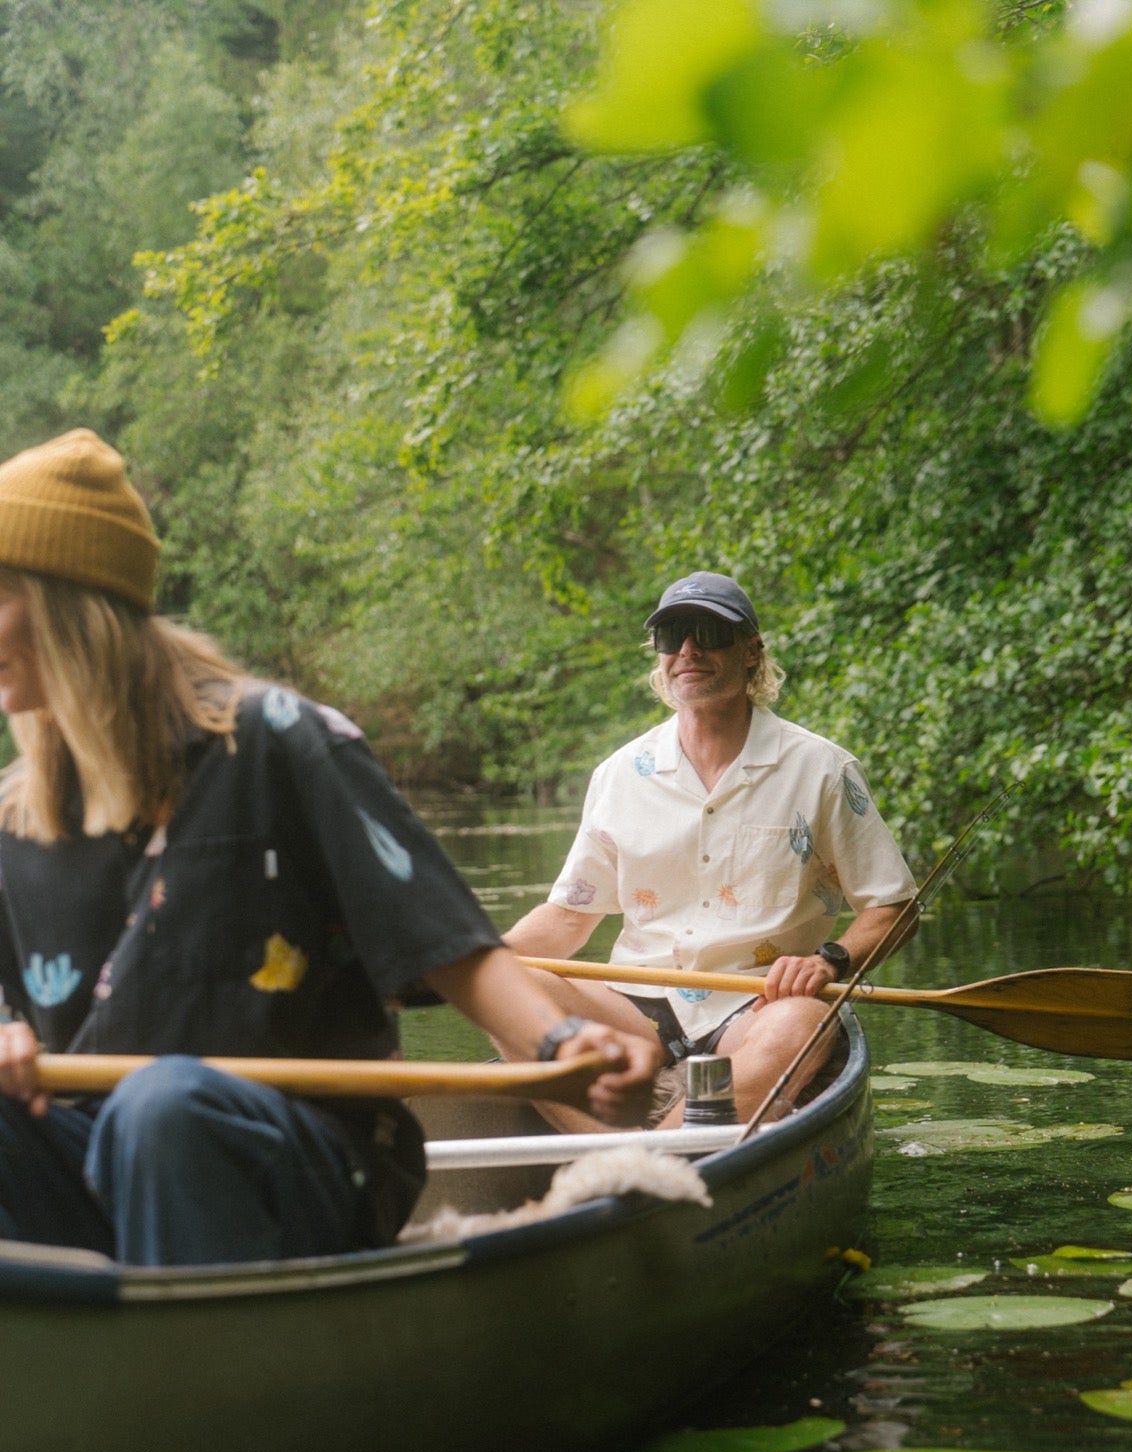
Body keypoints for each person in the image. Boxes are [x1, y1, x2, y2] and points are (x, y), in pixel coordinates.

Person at [0, 430, 661, 1266]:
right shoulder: (16, 813)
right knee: (129, 1113)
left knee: (161, 1106)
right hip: (96, 1162)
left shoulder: (278, 741)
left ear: (73, 602)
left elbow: (446, 943)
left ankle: (197, 1369)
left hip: (313, 1158)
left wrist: (562, 1044)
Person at [506, 572, 917, 1124]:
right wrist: (479, 960)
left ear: (752, 652)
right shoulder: (620, 774)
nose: (688, 650)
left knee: (808, 1021)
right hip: (635, 1007)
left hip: (758, 1004)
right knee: (506, 986)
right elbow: (566, 919)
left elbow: (895, 907)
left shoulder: (822, 769)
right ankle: (599, 1150)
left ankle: (660, 1157)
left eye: (708, 632)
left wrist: (829, 961)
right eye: (672, 636)